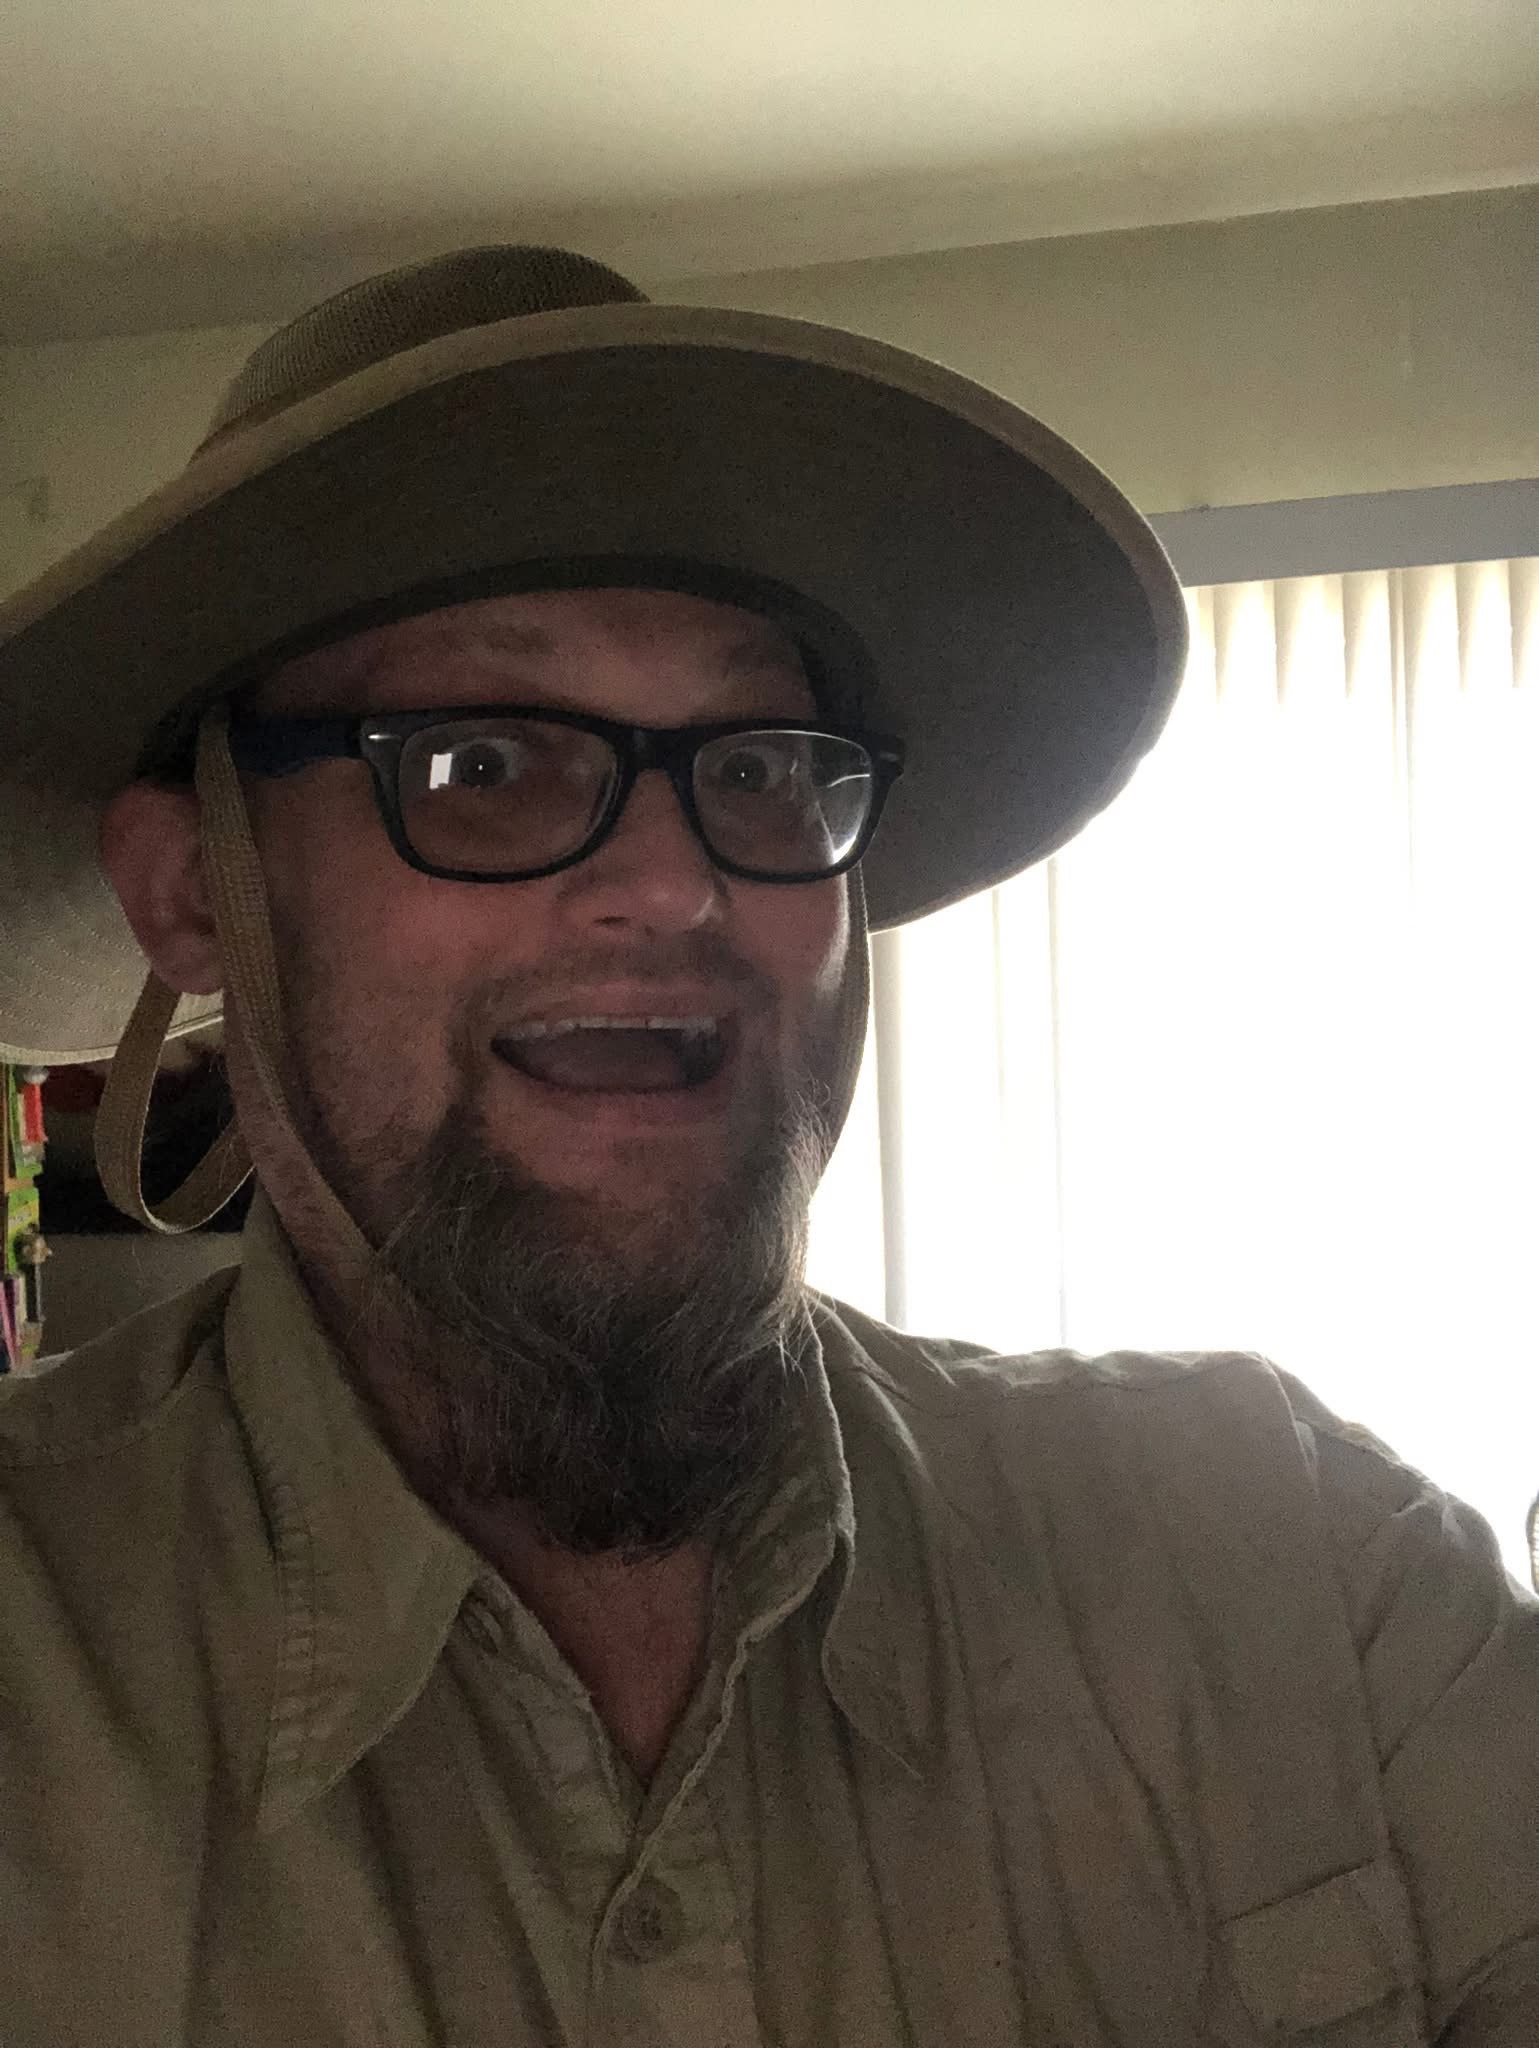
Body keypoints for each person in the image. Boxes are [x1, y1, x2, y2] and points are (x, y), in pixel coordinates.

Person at [0, 246, 1533, 2048]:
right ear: (197, 889)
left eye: (760, 768)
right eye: (483, 764)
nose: (676, 883)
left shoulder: (1302, 1578)